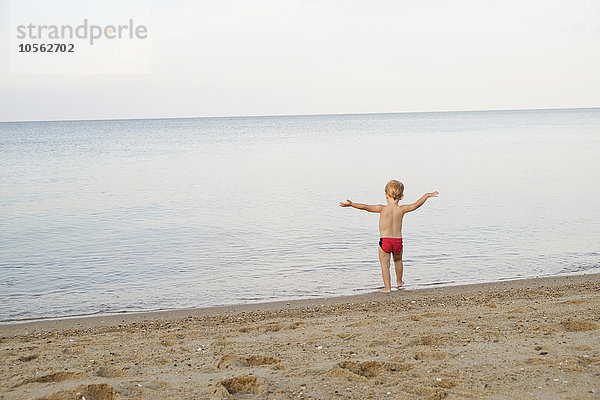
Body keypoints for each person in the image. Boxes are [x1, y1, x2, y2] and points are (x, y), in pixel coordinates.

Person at [339, 180, 438, 292]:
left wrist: (351, 204)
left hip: (385, 241)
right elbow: (416, 205)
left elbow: (365, 207)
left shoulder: (382, 208)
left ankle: (387, 288)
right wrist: (426, 195)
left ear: (386, 195)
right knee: (398, 261)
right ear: (402, 197)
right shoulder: (402, 209)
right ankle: (399, 282)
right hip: (397, 241)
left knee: (385, 266)